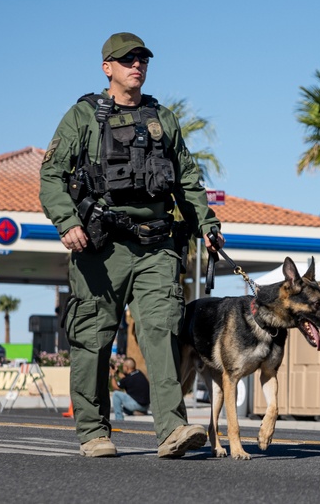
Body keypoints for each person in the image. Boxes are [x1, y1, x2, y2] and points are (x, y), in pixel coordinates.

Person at [40, 32, 222, 459]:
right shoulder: (83, 117)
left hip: (157, 246)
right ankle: (93, 432)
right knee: (94, 336)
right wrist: (67, 223)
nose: (136, 65)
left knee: (162, 328)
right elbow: (51, 177)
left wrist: (207, 226)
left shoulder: (163, 119)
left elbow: (188, 182)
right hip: (101, 247)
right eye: (126, 60)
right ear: (107, 68)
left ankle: (172, 430)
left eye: (142, 59)